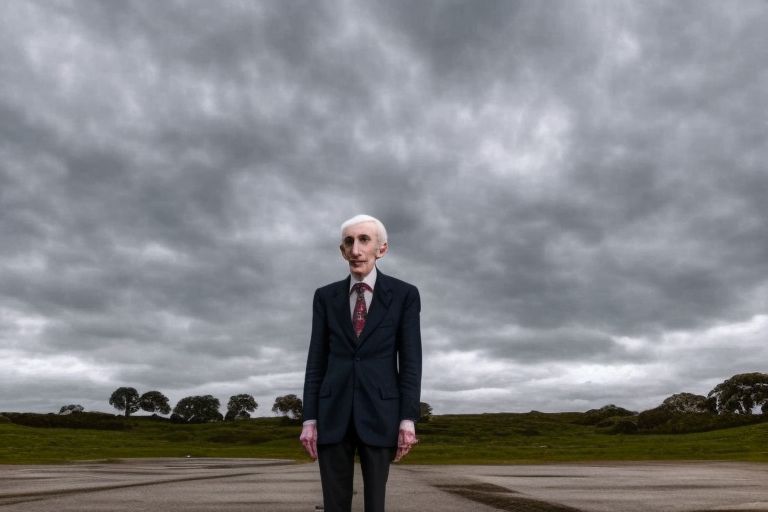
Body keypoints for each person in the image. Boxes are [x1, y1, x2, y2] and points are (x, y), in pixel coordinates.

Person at [300, 214, 422, 512]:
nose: (355, 250)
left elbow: (410, 361)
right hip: (332, 412)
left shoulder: (404, 295)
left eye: (364, 240)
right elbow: (316, 359)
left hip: (381, 412)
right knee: (334, 505)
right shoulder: (324, 297)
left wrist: (408, 419)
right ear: (342, 250)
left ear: (381, 249)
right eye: (349, 242)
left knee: (375, 506)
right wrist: (309, 419)